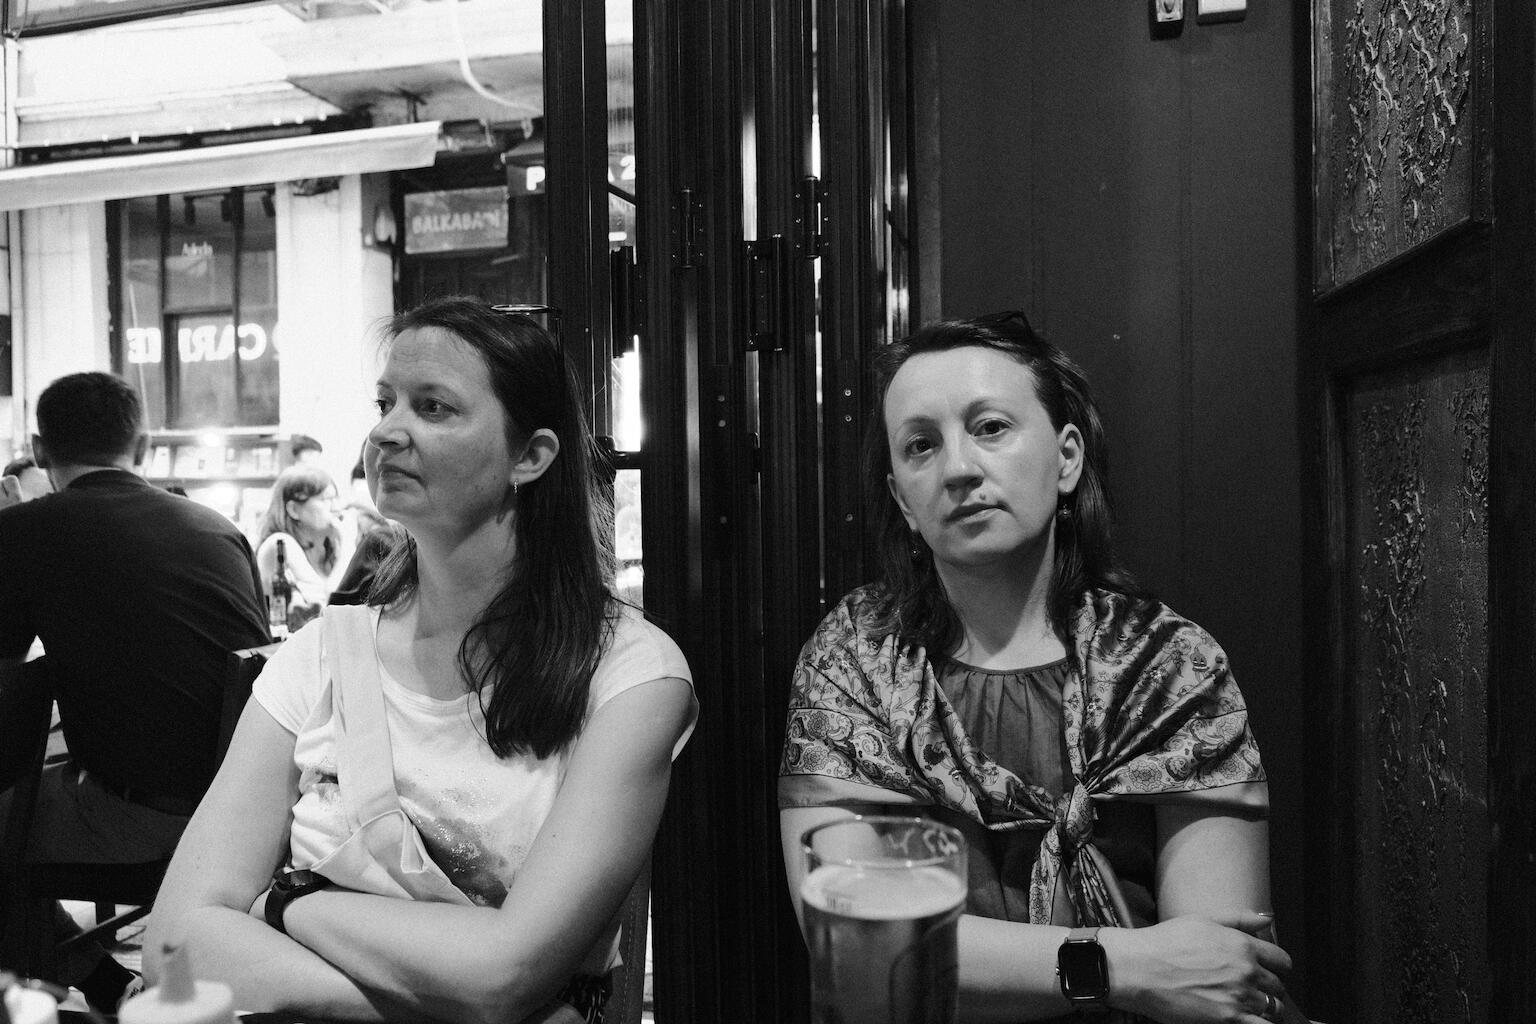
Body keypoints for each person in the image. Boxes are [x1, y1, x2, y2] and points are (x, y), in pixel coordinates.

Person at [146, 297, 697, 1023]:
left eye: (433, 407)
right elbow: (175, 946)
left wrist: (291, 901)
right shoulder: (320, 657)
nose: (385, 432)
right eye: (386, 403)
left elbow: (506, 973)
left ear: (530, 457)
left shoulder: (629, 675)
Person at [778, 312, 1305, 1024]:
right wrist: (1124, 967)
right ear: (902, 498)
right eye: (921, 445)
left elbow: (1219, 979)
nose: (959, 468)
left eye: (990, 427)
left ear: (1067, 459)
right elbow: (862, 950)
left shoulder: (1168, 664)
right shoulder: (857, 657)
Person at [0, 372, 270, 1011]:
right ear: (143, 445)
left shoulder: (26, 529)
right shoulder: (217, 527)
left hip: (146, 816)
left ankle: (81, 988)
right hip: (249, 810)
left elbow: (6, 677)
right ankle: (112, 987)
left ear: (39, 450)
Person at [256, 465, 343, 626]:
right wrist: (349, 539)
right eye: (326, 499)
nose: (336, 507)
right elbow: (327, 606)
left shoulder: (325, 546)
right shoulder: (280, 543)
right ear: (293, 509)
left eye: (336, 498)